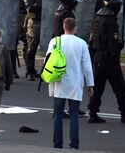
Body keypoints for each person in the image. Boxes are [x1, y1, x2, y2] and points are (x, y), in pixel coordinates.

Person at [87, 0, 125, 123]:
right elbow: (113, 45)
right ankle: (124, 112)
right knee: (120, 87)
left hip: (98, 58)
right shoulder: (112, 22)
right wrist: (119, 47)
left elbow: (92, 40)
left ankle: (92, 113)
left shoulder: (97, 19)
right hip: (110, 60)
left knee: (98, 87)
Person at [48, 18, 94, 150]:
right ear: (75, 28)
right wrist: (90, 84)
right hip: (75, 83)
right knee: (74, 114)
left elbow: (48, 61)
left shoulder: (55, 42)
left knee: (58, 114)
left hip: (58, 82)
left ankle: (57, 144)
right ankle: (74, 144)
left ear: (63, 27)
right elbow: (87, 66)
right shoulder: (81, 44)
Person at [7, 0, 34, 78]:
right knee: (12, 43)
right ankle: (12, 70)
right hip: (17, 15)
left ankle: (30, 69)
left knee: (29, 42)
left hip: (27, 15)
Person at [24, 0, 49, 81]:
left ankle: (45, 70)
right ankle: (30, 71)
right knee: (32, 48)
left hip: (46, 21)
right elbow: (29, 7)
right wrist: (41, 4)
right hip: (35, 23)